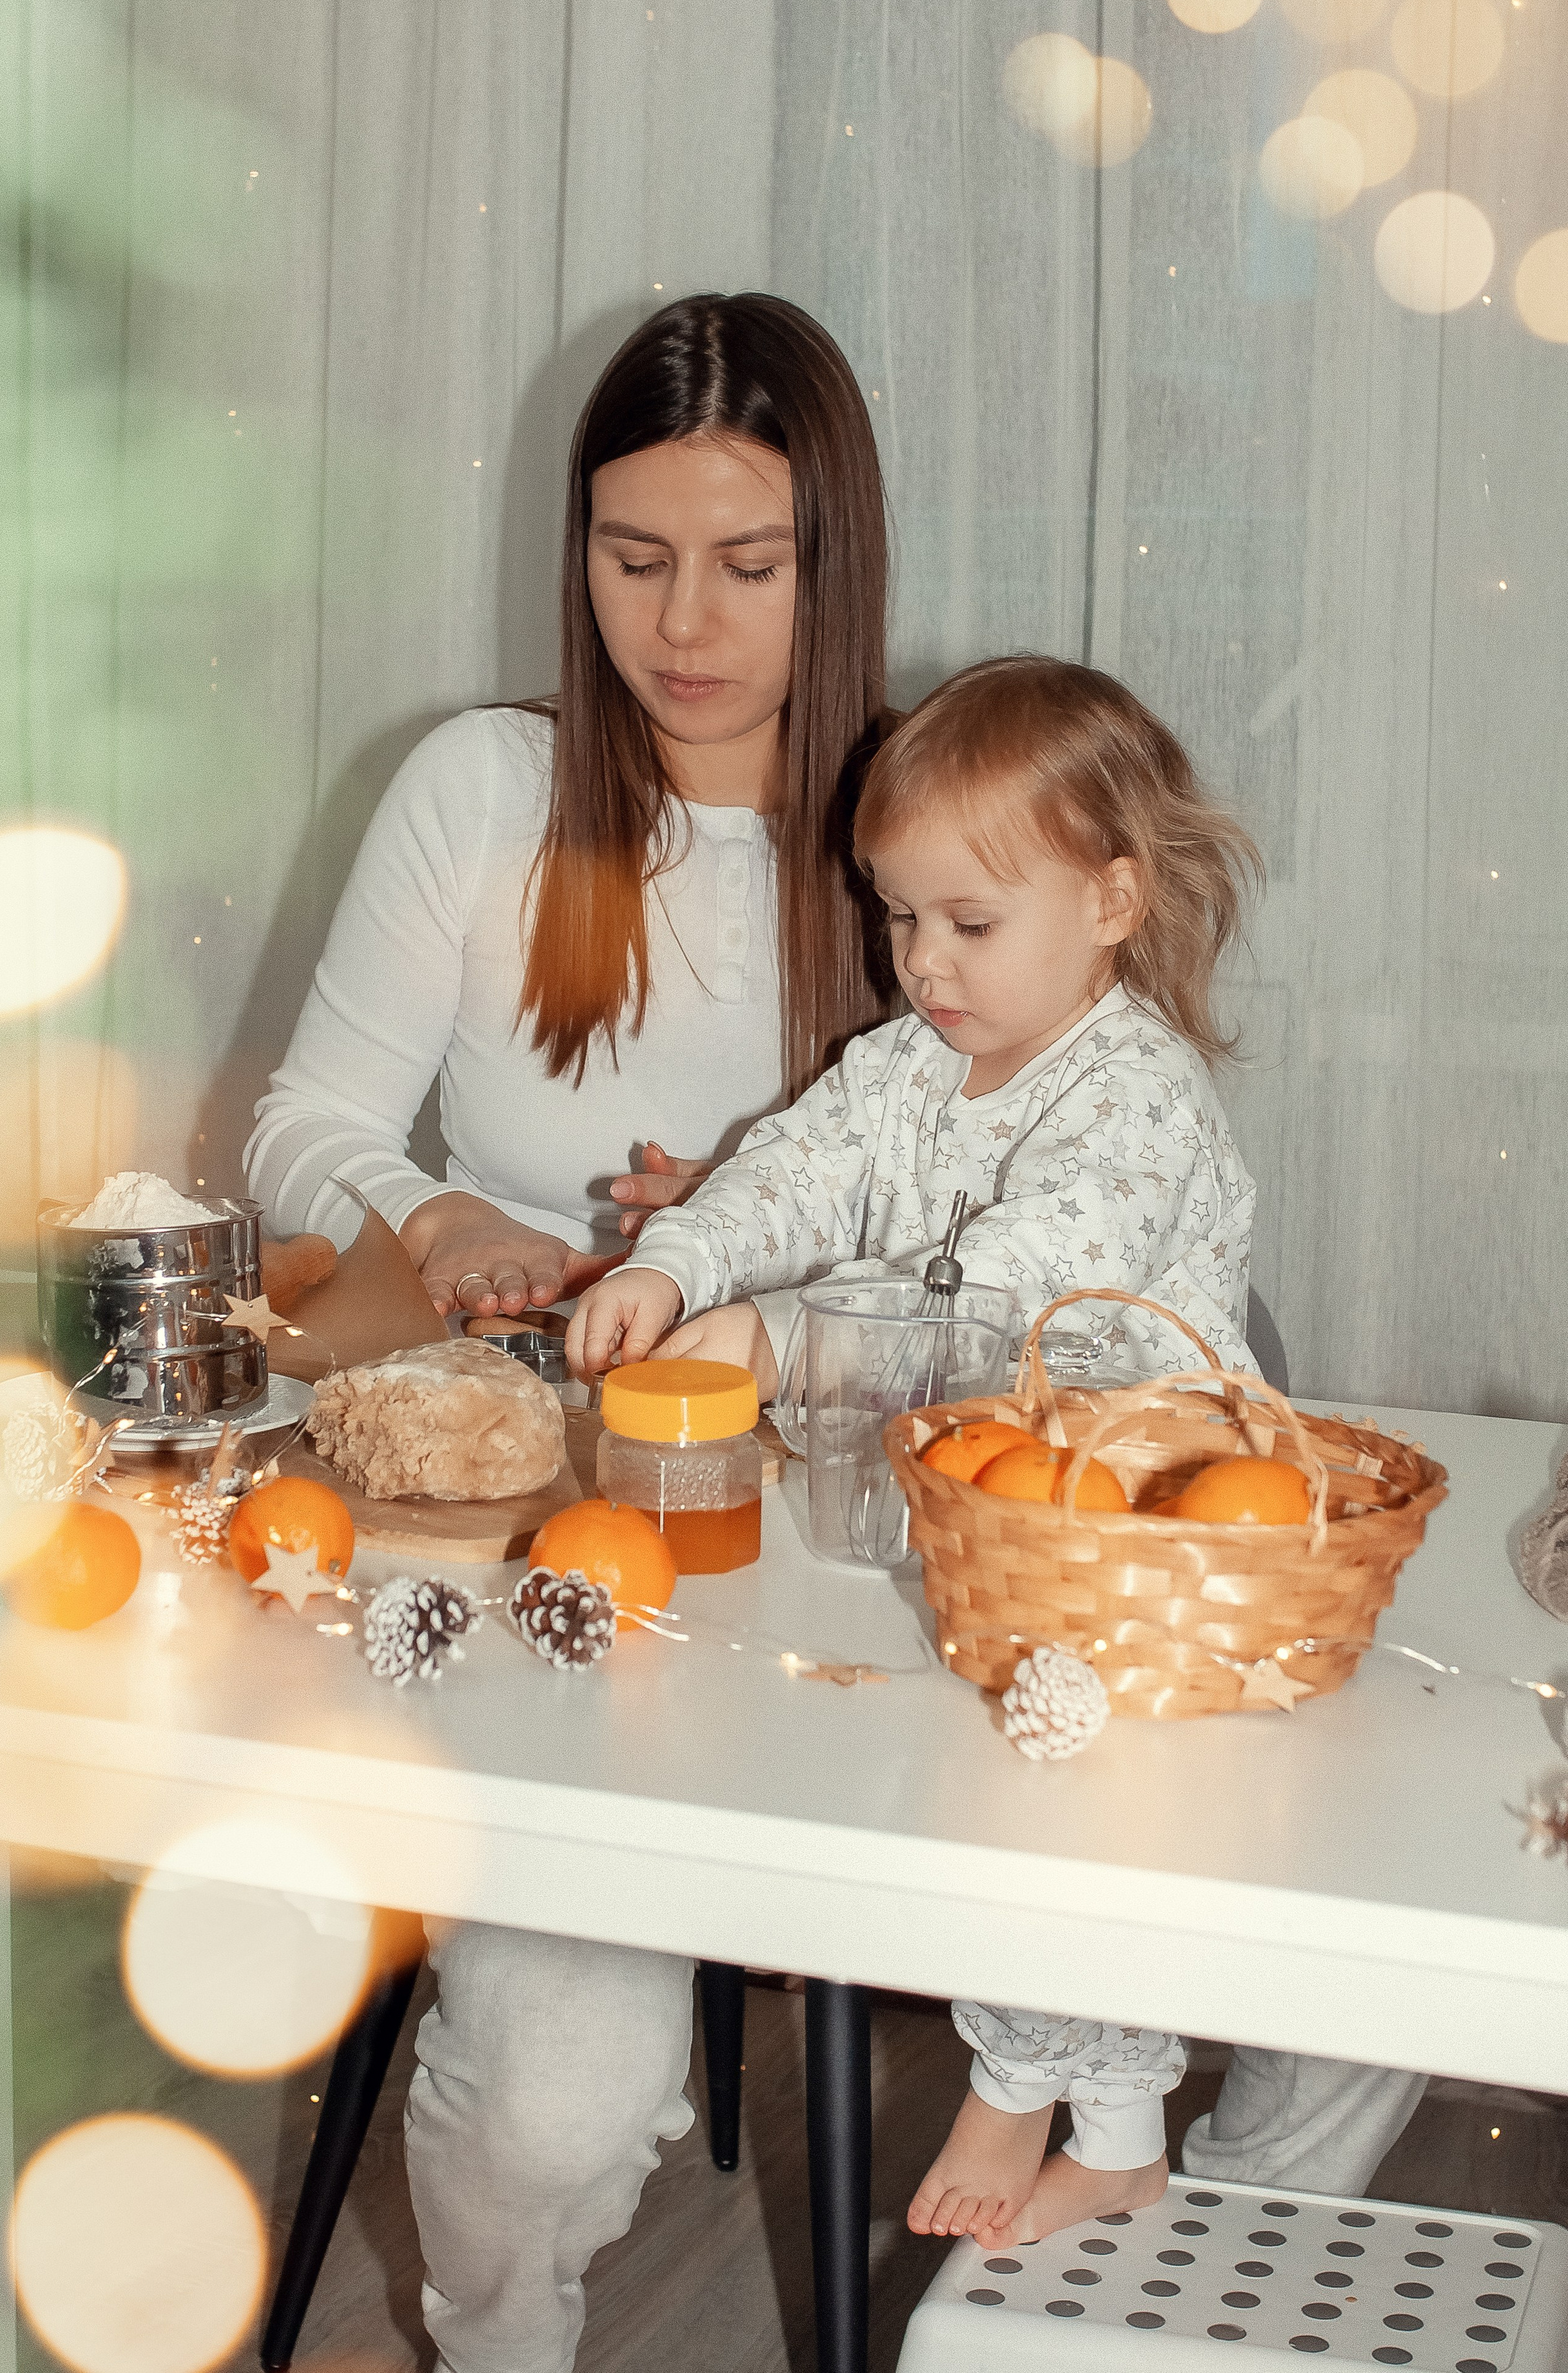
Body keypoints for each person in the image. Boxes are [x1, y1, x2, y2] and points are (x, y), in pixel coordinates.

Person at [569, 655, 1426, 2244]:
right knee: (1003, 1797)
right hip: (995, 1523)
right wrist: (675, 1264)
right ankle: (1104, 2120)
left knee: (1073, 1819)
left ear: (1110, 901)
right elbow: (790, 1173)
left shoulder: (1138, 1093)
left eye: (969, 923)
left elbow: (1015, 1270)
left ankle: (1044, 2088)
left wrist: (774, 1331)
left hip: (1157, 1530)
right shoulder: (898, 1068)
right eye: (899, 917)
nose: (923, 963)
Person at [246, 291, 895, 2370]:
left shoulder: (927, 816)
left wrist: (731, 1244)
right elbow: (301, 1125)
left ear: (838, 557)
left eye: (749, 562)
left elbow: (1031, 1207)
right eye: (633, 558)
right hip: (551, 1531)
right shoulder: (489, 785)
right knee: (546, 2098)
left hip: (849, 1539)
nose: (682, 624)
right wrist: (445, 1212)